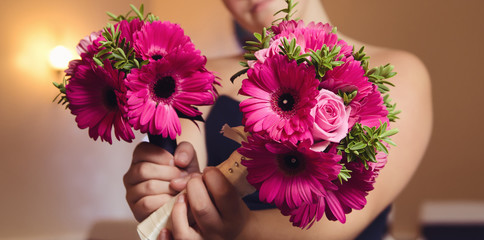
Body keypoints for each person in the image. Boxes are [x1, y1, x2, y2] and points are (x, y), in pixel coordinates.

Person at [123, 0, 433, 239]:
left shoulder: (398, 71)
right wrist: (170, 189)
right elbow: (182, 166)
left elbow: (349, 219)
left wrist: (244, 228)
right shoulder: (201, 75)